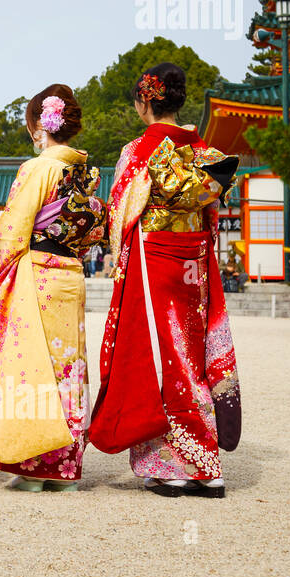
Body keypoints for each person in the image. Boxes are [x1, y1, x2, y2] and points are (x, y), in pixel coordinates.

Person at [91, 63, 241, 497]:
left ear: (144, 102)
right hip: (193, 263)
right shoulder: (204, 152)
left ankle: (176, 466)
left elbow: (120, 214)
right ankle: (206, 465)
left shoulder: (139, 150)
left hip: (153, 262)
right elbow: (211, 216)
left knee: (159, 357)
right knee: (190, 357)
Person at [0, 85, 106, 492]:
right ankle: (65, 464)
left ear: (40, 125)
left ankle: (35, 465)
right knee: (67, 365)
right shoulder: (84, 171)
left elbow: (13, 229)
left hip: (37, 272)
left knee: (30, 364)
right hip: (71, 270)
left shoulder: (39, 168)